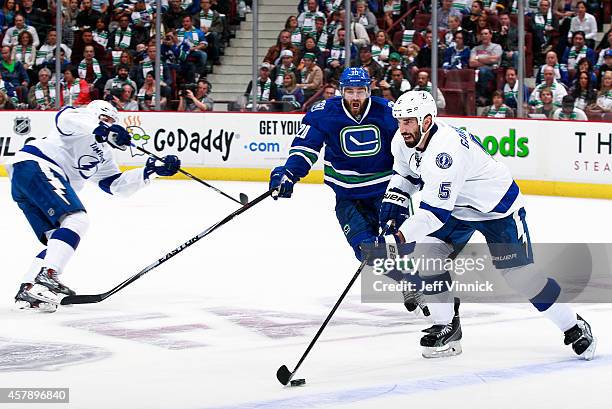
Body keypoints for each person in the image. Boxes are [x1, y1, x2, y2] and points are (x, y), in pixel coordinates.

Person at [366, 90, 596, 360]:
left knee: (520, 275)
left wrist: (398, 238)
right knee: (428, 253)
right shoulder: (404, 140)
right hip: (458, 208)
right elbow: (405, 173)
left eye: (408, 121)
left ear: (426, 120)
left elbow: (434, 215)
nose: (402, 128)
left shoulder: (445, 153)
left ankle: (573, 324)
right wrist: (394, 199)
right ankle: (447, 326)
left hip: (497, 209)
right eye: (400, 121)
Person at [10, 100, 181, 311]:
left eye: (112, 122)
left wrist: (152, 171)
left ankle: (29, 288)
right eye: (106, 120)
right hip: (38, 166)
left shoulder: (105, 154)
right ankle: (49, 274)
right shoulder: (76, 122)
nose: (109, 125)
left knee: (57, 240)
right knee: (77, 220)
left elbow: (116, 185)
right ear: (95, 116)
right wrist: (102, 129)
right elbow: (68, 118)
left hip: (28, 179)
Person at [268, 67, 398, 266]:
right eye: (350, 91)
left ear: (369, 90)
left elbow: (409, 149)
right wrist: (289, 172)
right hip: (348, 197)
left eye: (361, 91)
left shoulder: (388, 112)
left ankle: (417, 288)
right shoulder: (324, 113)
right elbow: (306, 147)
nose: (355, 97)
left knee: (403, 245)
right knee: (368, 252)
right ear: (341, 91)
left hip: (387, 193)